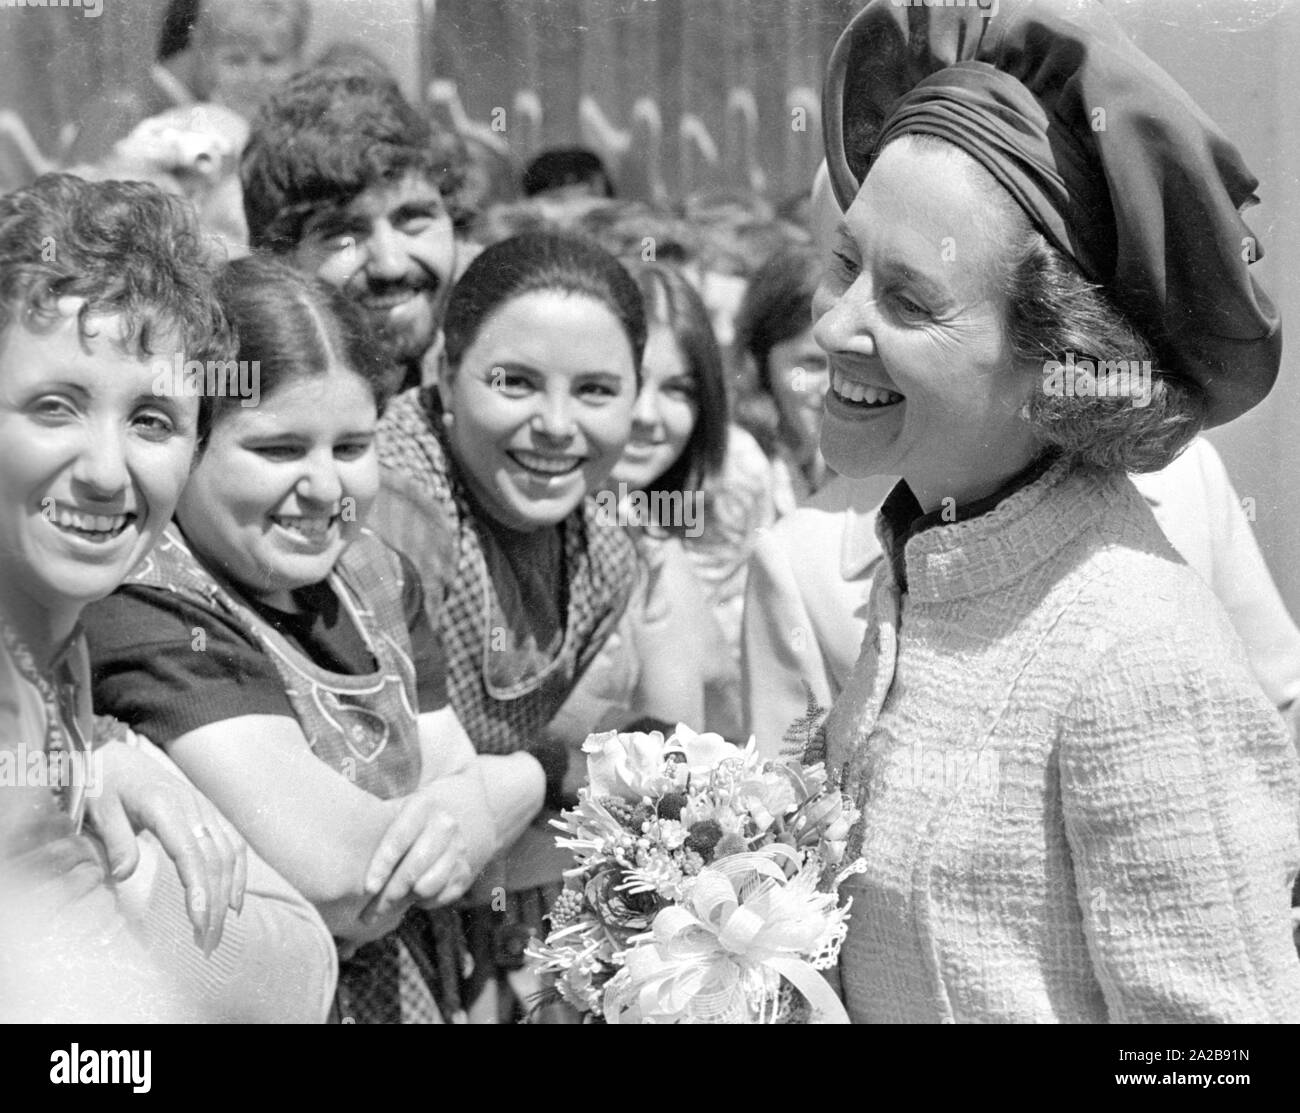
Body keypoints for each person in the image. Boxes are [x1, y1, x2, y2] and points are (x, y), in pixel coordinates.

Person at [814, 0, 1300, 1022]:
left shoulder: (1135, 655)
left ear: (1058, 359)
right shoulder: (935, 555)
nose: (831, 324)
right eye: (845, 265)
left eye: (909, 300)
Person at [84, 255, 546, 1023]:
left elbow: (456, 795)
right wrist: (523, 782)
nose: (326, 488)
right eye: (278, 449)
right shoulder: (138, 600)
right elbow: (350, 877)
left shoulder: (375, 572)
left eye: (351, 447)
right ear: (185, 438)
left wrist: (481, 803)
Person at [0, 174, 336, 1022]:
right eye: (54, 407)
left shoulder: (49, 639)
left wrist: (109, 750)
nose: (107, 471)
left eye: (152, 419)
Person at [372, 230, 645, 1020]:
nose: (557, 424)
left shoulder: (603, 552)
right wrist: (545, 774)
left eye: (596, 390)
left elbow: (564, 754)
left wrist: (530, 778)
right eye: (515, 382)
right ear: (445, 376)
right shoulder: (393, 504)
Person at [547, 261, 729, 740]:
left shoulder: (653, 531)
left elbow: (686, 738)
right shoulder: (533, 530)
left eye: (678, 389)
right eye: (629, 381)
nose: (648, 415)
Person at [240, 65, 467, 394]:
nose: (391, 266)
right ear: (277, 258)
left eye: (413, 219)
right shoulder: (234, 393)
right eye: (343, 234)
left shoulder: (475, 385)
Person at [67, 0, 313, 165]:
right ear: (201, 52)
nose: (254, 77)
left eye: (271, 61)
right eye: (235, 60)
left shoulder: (296, 134)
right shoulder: (129, 110)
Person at [734, 241, 832, 514]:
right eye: (812, 364)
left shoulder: (818, 457)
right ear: (761, 360)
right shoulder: (738, 463)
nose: (833, 387)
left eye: (849, 364)